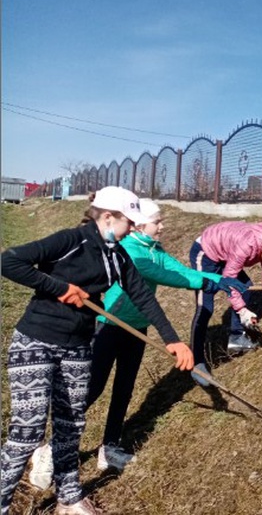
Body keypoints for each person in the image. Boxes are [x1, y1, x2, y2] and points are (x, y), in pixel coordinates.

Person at [25, 199, 249, 490]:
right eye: (157, 222)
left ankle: (110, 448)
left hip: (137, 329)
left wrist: (220, 279)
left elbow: (180, 269)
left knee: (124, 389)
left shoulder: (154, 249)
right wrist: (211, 283)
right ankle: (50, 450)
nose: (162, 226)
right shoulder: (130, 250)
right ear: (140, 225)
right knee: (92, 389)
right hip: (110, 326)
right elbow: (166, 276)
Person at [0, 187, 194, 515]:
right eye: (128, 222)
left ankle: (68, 497)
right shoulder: (71, 240)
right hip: (36, 342)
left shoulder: (117, 255)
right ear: (107, 217)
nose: (132, 228)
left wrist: (172, 339)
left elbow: (143, 297)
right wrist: (59, 288)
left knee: (71, 425)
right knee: (28, 430)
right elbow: (9, 261)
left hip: (77, 347)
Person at [189, 221, 262, 384]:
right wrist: (242, 310)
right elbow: (230, 281)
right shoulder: (247, 244)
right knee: (205, 307)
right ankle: (196, 362)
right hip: (205, 252)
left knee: (246, 289)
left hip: (227, 252)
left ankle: (236, 338)